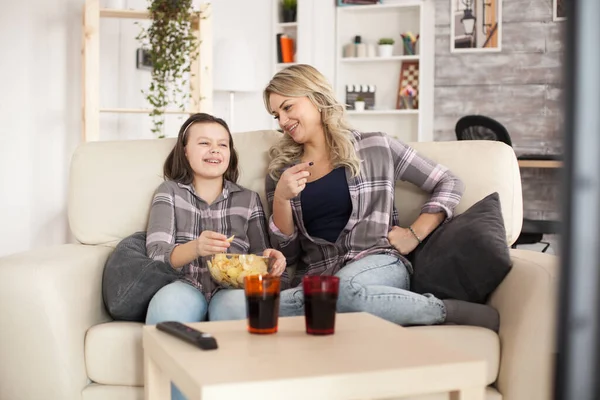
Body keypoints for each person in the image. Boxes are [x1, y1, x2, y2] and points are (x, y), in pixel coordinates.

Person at [263, 64, 499, 331]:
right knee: (250, 307)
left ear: (317, 99)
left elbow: (449, 181)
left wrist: (415, 232)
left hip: (378, 262)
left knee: (344, 294)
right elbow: (288, 255)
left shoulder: (376, 146)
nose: (282, 121)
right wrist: (281, 198)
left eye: (287, 107)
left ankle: (446, 310)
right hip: (319, 279)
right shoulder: (280, 171)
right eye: (275, 115)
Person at [144, 113, 287, 400]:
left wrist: (272, 259)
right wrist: (196, 248)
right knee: (167, 306)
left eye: (223, 144)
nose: (215, 150)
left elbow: (260, 255)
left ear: (230, 154)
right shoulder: (169, 193)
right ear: (185, 151)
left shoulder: (248, 199)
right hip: (185, 284)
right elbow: (156, 255)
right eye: (204, 143)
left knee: (240, 310)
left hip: (233, 288)